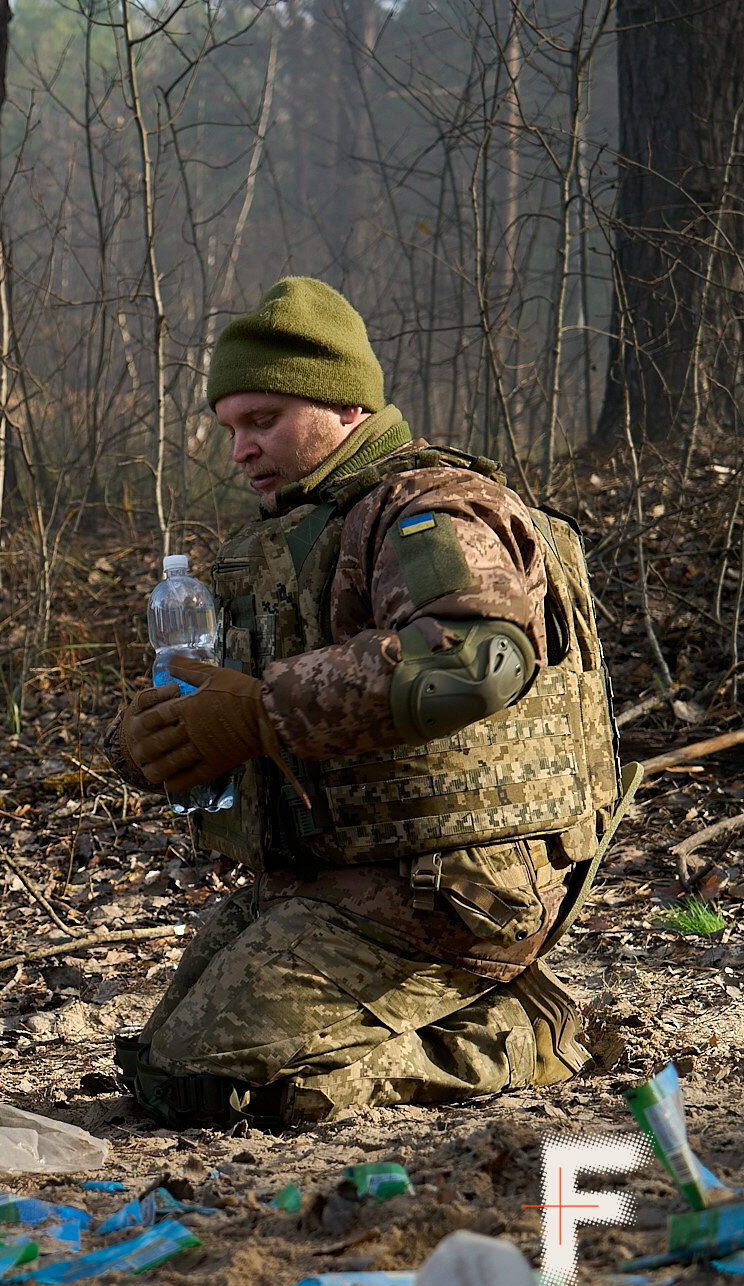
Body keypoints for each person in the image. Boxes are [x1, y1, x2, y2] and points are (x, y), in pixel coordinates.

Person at [109, 277, 630, 1128]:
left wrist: (258, 714)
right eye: (231, 427)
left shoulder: (427, 509)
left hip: (458, 887)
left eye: (264, 420)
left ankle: (521, 1028)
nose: (241, 449)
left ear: (347, 406)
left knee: (209, 1084)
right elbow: (224, 694)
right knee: (161, 1057)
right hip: (342, 873)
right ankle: (470, 1007)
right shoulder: (299, 534)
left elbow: (477, 658)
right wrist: (145, 736)